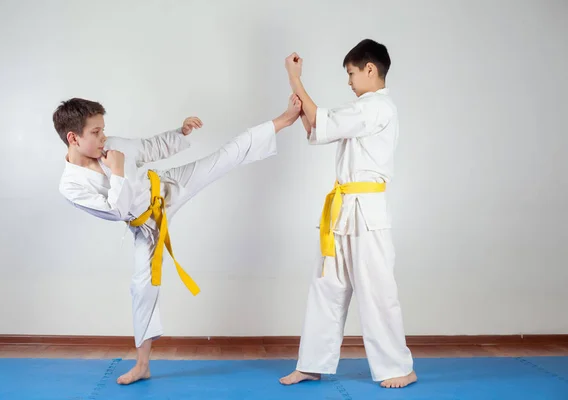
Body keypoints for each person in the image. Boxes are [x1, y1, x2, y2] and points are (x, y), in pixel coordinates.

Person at [55, 95, 301, 385]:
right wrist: (119, 171)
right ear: (73, 137)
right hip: (145, 227)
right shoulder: (71, 186)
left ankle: (283, 120)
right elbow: (117, 211)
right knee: (142, 289)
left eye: (103, 129)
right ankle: (142, 364)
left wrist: (179, 133)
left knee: (223, 157)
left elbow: (148, 147)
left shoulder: (113, 147)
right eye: (96, 133)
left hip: (168, 187)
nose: (103, 137)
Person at [279, 39, 418, 389]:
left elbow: (327, 122)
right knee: (326, 284)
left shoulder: (378, 108)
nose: (349, 80)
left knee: (376, 290)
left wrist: (296, 80)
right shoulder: (361, 110)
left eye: (352, 73)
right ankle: (311, 363)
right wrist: (301, 115)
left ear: (370, 69)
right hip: (342, 211)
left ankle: (399, 366)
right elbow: (323, 129)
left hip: (367, 213)